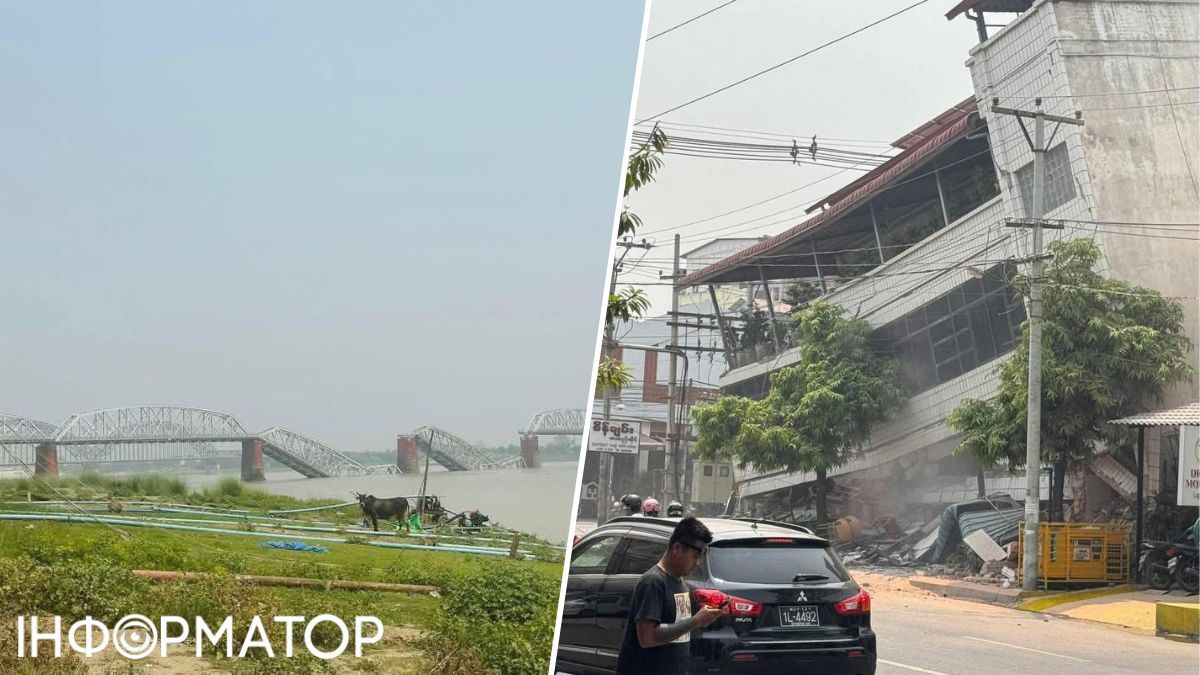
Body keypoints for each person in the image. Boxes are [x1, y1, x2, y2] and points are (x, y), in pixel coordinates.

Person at [615, 517, 722, 675]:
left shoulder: (682, 585)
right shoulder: (653, 582)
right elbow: (647, 637)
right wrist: (696, 621)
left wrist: (704, 620)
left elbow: (679, 635)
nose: (698, 563)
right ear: (676, 548)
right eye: (695, 556)